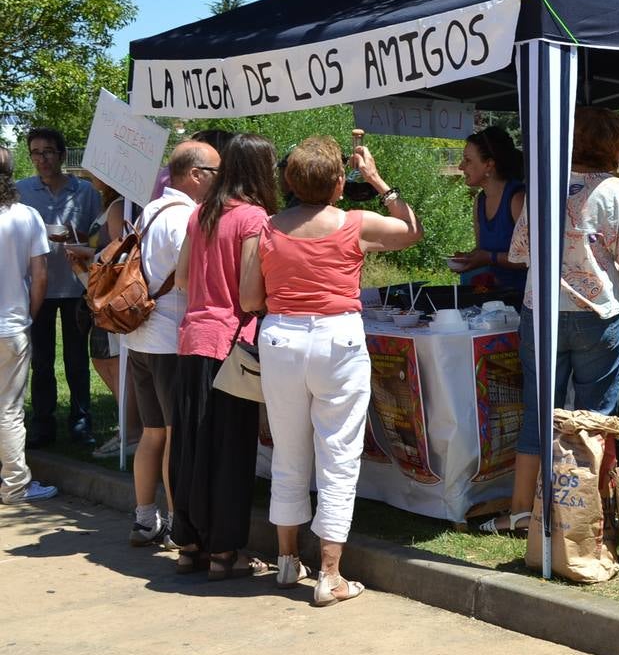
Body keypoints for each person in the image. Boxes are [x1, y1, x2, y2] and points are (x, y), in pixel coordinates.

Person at [241, 136, 422, 605]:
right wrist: (379, 180)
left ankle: (286, 561)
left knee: (288, 451)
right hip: (338, 338)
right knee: (338, 456)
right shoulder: (353, 224)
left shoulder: (265, 230)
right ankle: (329, 573)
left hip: (281, 337)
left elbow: (249, 300)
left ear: (288, 181)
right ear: (339, 182)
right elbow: (410, 230)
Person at [479, 108, 619, 535]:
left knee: (539, 412)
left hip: (541, 310)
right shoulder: (618, 191)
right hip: (598, 315)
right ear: (614, 145)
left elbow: (520, 252)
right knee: (596, 415)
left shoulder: (546, 189)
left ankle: (523, 511)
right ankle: (586, 511)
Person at [170, 133, 277, 581]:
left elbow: (180, 279)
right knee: (230, 450)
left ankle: (189, 544)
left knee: (190, 447)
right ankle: (223, 553)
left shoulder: (202, 213)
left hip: (194, 339)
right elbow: (251, 294)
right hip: (233, 344)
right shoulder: (254, 217)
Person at [124, 140, 219, 547]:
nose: (220, 181)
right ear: (196, 175)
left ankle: (146, 519)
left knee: (152, 433)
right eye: (216, 173)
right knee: (174, 435)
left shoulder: (151, 209)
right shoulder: (185, 218)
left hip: (142, 337)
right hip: (169, 339)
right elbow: (190, 278)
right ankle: (180, 526)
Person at [18, 127, 102, 448]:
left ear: (62, 155)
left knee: (77, 359)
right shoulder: (21, 191)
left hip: (75, 287)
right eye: (36, 153)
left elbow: (99, 240)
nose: (42, 159)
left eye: (48, 152)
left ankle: (81, 423)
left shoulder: (86, 192)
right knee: (41, 361)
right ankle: (42, 424)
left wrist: (75, 233)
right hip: (37, 288)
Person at [64, 172, 140, 458]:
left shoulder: (120, 206)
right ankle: (129, 427)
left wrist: (82, 252)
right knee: (104, 361)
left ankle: (130, 432)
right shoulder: (112, 204)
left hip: (108, 295)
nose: (90, 174)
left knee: (114, 363)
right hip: (97, 293)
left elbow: (121, 253)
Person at [0, 147, 58, 505]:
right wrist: (30, 315)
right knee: (8, 408)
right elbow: (40, 277)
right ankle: (15, 485)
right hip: (11, 325)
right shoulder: (26, 216)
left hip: (12, 322)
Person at [451, 126, 526, 292]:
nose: (461, 166)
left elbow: (531, 258)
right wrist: (468, 259)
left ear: (489, 165)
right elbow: (482, 251)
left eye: (468, 160)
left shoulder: (517, 198)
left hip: (521, 301)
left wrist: (488, 258)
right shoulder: (480, 200)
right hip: (492, 300)